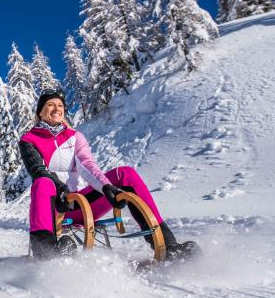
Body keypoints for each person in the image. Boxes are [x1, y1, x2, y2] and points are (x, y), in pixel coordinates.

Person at [19, 89, 199, 260]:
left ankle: (168, 245)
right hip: (53, 208)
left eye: (60, 105)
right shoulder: (29, 140)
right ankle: (46, 251)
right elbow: (38, 170)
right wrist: (61, 190)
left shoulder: (74, 137)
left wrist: (105, 186)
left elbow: (87, 165)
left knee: (126, 174)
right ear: (40, 112)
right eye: (50, 104)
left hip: (80, 205)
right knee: (42, 182)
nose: (56, 108)